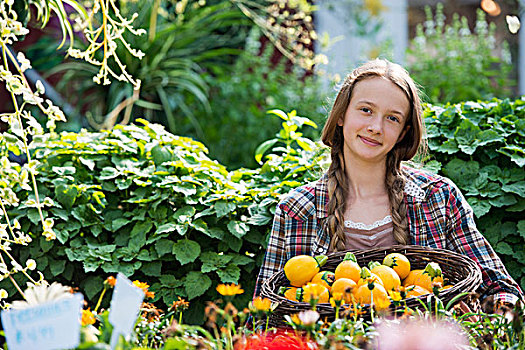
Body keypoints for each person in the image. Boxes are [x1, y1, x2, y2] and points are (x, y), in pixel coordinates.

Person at [254, 59, 523, 308]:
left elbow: (500, 287)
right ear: (340, 115)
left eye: (392, 118)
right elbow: (264, 313)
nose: (376, 127)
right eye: (366, 110)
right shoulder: (297, 210)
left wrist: (496, 312)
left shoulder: (439, 199)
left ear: (404, 132)